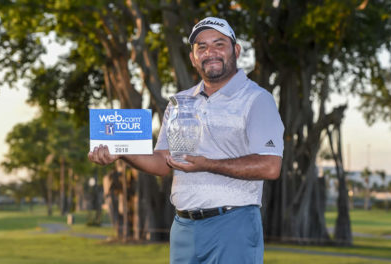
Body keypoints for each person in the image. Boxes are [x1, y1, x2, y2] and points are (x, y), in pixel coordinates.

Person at [88, 16, 284, 264]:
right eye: (201, 46)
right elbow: (162, 162)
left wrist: (208, 164)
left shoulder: (257, 99)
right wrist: (121, 151)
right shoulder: (179, 102)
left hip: (233, 223)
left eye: (219, 44)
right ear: (193, 57)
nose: (210, 52)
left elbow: (270, 166)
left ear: (236, 50)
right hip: (184, 227)